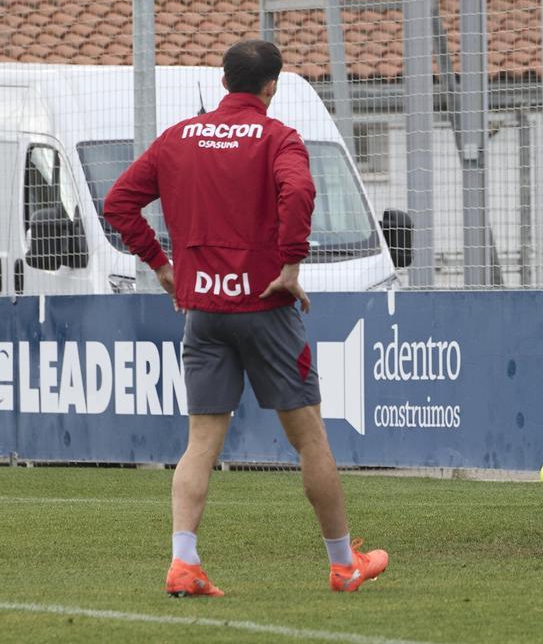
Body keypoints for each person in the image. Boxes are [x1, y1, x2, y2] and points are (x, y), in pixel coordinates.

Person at [104, 40, 387, 595]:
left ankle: (184, 562)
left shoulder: (179, 137)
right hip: (265, 307)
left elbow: (118, 203)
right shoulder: (278, 137)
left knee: (200, 444)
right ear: (271, 86)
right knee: (310, 441)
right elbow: (298, 189)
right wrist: (291, 263)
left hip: (204, 311)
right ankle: (343, 563)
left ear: (224, 80)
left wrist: (161, 266)